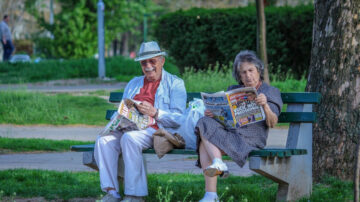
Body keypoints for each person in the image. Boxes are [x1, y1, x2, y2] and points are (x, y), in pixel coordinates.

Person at [94, 41, 187, 202]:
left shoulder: (175, 83)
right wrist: (121, 117)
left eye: (153, 61)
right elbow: (124, 107)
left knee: (130, 139)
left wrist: (156, 112)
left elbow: (179, 118)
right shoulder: (133, 83)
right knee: (103, 141)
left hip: (156, 130)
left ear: (162, 61)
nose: (148, 66)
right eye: (144, 62)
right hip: (129, 127)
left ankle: (135, 196)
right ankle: (112, 192)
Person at [195, 50, 283, 202]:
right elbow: (225, 119)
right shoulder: (232, 90)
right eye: (243, 72)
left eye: (251, 70)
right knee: (203, 122)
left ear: (258, 70)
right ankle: (217, 167)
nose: (248, 76)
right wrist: (214, 114)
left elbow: (273, 122)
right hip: (231, 134)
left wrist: (265, 106)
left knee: (204, 144)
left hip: (251, 140)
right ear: (239, 75)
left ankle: (211, 193)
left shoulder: (270, 92)